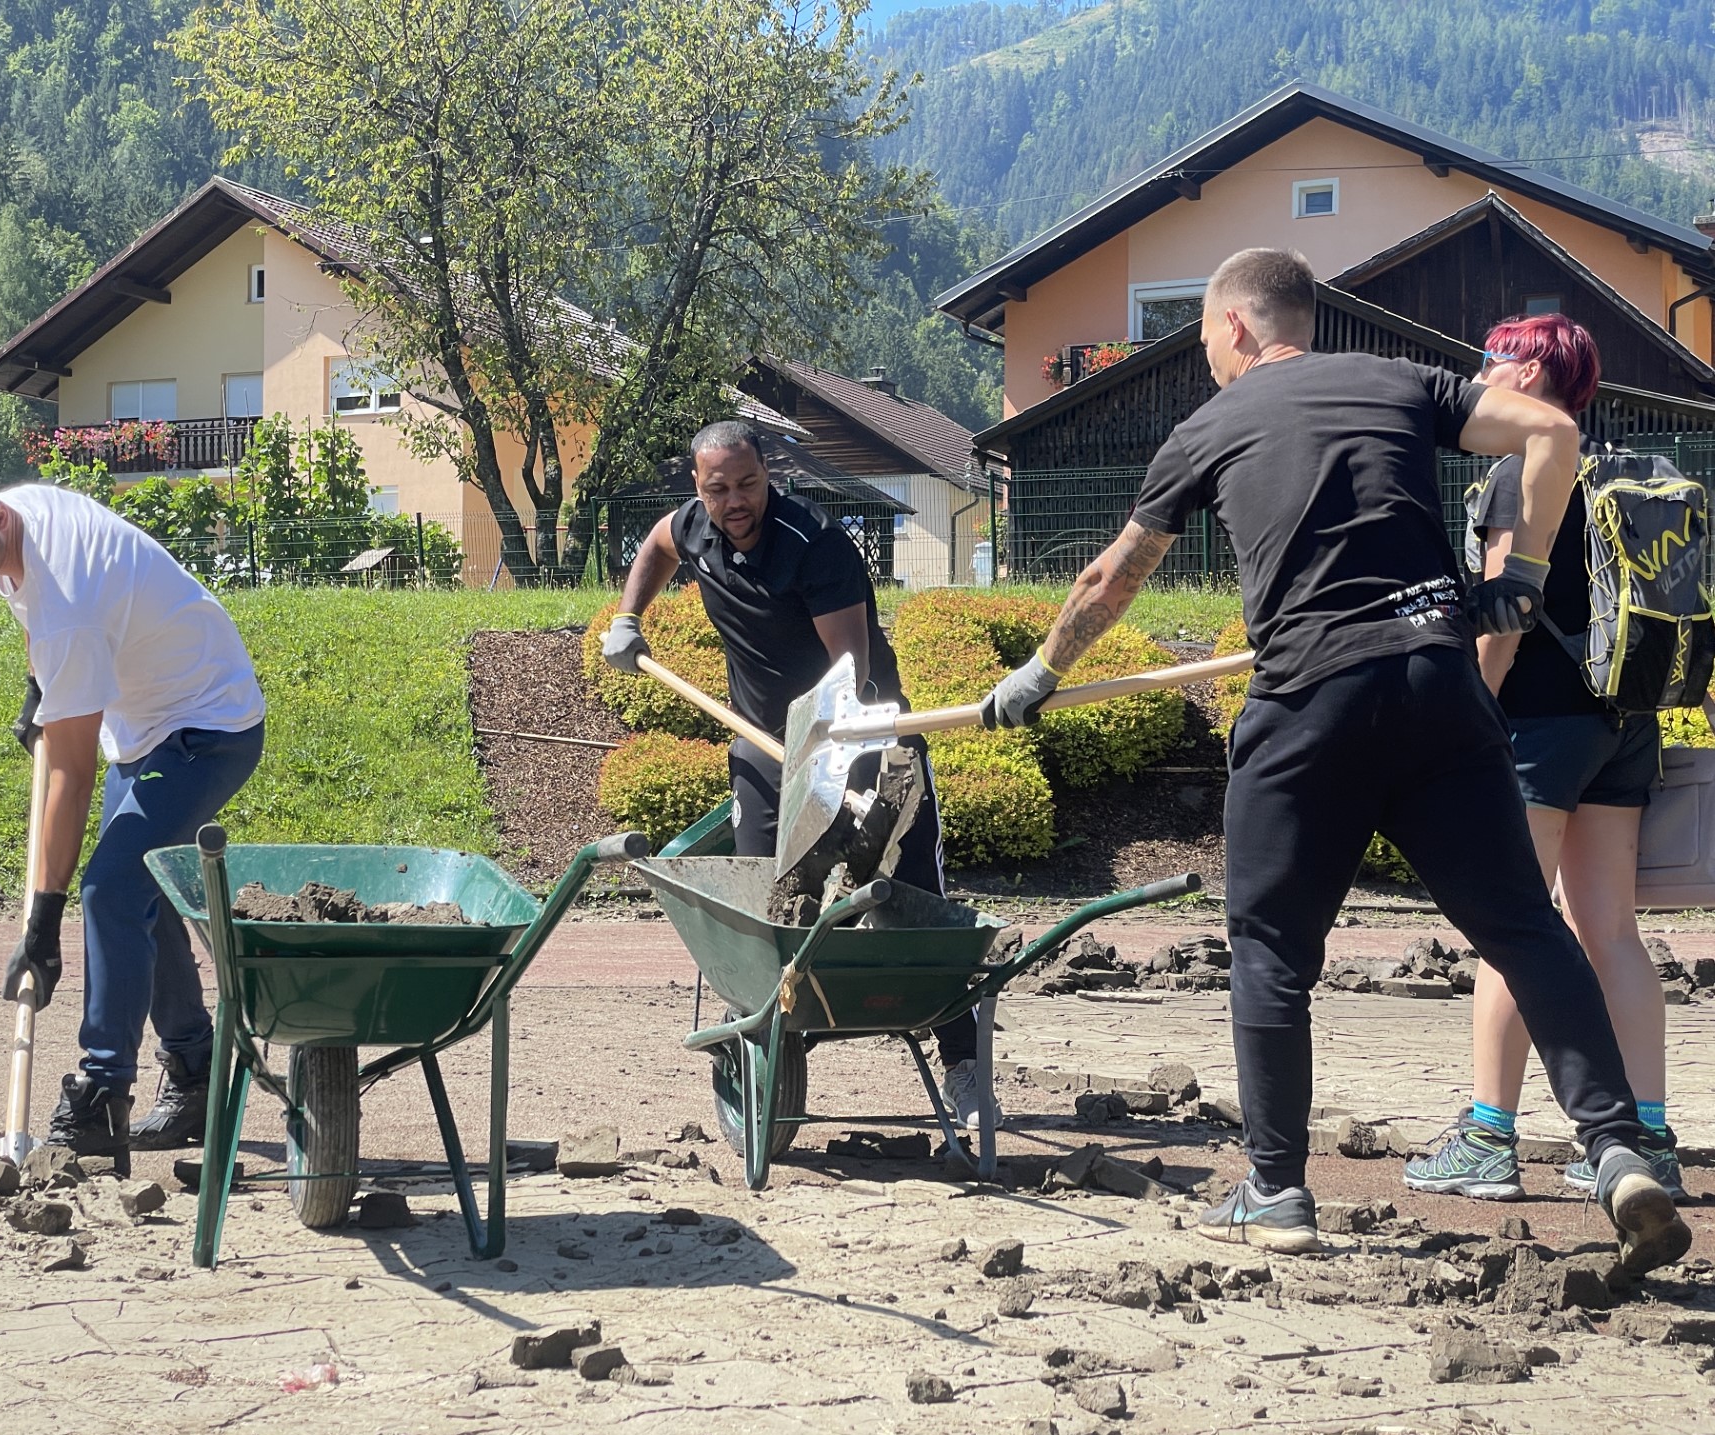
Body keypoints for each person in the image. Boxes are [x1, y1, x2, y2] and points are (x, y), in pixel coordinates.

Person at [981, 249, 1690, 1275]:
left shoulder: (1209, 426)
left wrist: (1040, 672)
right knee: (1528, 929)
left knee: (1271, 949)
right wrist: (1521, 576)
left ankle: (1275, 1188)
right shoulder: (1398, 381)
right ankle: (1618, 1149)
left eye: (1205, 345)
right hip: (1439, 689)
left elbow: (1114, 572)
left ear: (1232, 330)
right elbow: (1552, 430)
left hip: (1309, 700)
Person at [600, 421, 996, 1128]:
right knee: (764, 911)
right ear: (699, 486)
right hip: (764, 743)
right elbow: (659, 544)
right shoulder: (695, 527)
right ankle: (773, 1042)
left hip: (864, 733)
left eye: (747, 483)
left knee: (911, 903)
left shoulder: (815, 545)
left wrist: (837, 766)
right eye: (718, 488)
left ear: (767, 474)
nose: (735, 501)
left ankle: (964, 1063)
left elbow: (851, 673)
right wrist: (630, 618)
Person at [0, 452, 266, 1163]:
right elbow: (30, 615)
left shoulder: (66, 597)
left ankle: (101, 1098)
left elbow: (70, 768)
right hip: (148, 722)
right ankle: (195, 1073)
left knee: (108, 889)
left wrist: (43, 918)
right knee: (137, 889)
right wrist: (42, 692)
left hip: (206, 726)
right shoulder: (7, 524)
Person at [1405, 315, 1684, 1201]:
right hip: (1625, 721)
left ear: (1527, 375)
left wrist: (1465, 714)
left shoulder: (1521, 471)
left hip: (1536, 729)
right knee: (1612, 933)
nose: (1480, 371)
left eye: (1492, 358)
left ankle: (1489, 1137)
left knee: (1511, 926)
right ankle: (1651, 1138)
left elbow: (1502, 619)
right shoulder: (1626, 472)